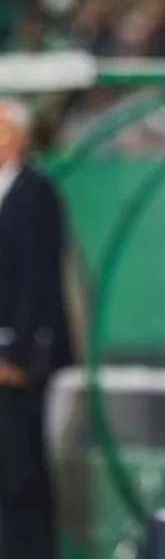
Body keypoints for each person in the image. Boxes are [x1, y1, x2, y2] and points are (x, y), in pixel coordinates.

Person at [0, 98, 74, 559]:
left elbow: (39, 279)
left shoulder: (35, 191)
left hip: (17, 360)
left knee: (20, 474)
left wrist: (21, 356)